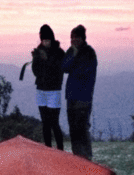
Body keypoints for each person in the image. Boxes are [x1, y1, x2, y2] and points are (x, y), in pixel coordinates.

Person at [62, 24, 97, 160]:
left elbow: (82, 72)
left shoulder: (89, 52)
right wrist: (74, 56)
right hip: (71, 96)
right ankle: (77, 158)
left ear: (83, 38)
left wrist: (74, 60)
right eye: (72, 38)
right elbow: (64, 67)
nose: (74, 40)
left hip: (83, 97)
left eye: (76, 38)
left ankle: (87, 158)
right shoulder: (71, 51)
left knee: (82, 129)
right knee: (73, 130)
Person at [31, 24, 65, 150]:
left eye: (47, 40)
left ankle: (60, 148)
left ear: (52, 39)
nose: (45, 42)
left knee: (54, 122)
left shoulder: (60, 53)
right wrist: (37, 59)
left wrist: (46, 60)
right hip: (41, 90)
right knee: (45, 122)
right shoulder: (38, 52)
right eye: (43, 40)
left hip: (54, 91)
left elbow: (60, 69)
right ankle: (48, 149)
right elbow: (35, 71)